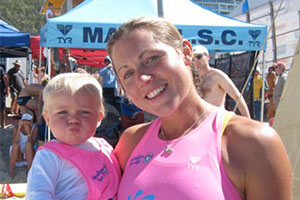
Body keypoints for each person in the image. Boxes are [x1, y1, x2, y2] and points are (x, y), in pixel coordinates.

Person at [107, 17, 292, 199]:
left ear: (186, 52)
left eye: (151, 59)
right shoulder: (130, 143)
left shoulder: (253, 143)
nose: (142, 79)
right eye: (128, 73)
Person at [26, 73, 120, 199]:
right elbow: (38, 194)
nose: (73, 119)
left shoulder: (105, 148)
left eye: (84, 112)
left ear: (99, 118)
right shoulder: (49, 156)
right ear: (48, 119)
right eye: (63, 112)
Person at [192, 45, 250, 118]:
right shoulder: (194, 79)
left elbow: (237, 97)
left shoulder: (217, 76)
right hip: (200, 120)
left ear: (207, 57)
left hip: (217, 120)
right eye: (193, 59)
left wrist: (248, 120)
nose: (196, 61)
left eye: (199, 57)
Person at [9, 111, 38, 178]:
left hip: (29, 151)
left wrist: (28, 133)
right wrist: (19, 129)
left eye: (27, 121)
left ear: (31, 121)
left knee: (28, 144)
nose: (25, 123)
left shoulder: (34, 128)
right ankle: (11, 168)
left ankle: (29, 168)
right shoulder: (16, 128)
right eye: (24, 120)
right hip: (19, 152)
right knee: (15, 145)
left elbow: (32, 143)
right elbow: (14, 141)